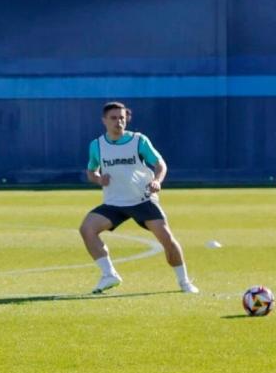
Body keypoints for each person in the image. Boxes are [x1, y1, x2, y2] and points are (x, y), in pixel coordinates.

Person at [81, 101, 198, 294]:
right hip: (114, 202)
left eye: (122, 118)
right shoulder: (97, 145)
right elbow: (91, 171)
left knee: (166, 238)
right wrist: (99, 179)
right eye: (113, 118)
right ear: (104, 121)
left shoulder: (138, 140)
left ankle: (184, 282)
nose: (118, 122)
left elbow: (160, 164)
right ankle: (109, 274)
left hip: (142, 199)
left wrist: (158, 181)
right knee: (87, 229)